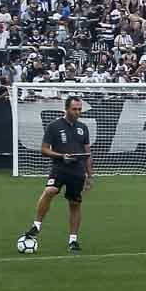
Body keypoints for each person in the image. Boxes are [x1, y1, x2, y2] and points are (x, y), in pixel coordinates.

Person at [26, 95, 92, 252]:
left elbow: (88, 152)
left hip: (77, 171)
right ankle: (36, 226)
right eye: (74, 109)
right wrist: (61, 156)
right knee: (50, 190)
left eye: (79, 109)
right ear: (66, 109)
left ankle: (73, 241)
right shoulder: (54, 126)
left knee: (75, 204)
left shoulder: (83, 128)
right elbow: (44, 149)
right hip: (60, 168)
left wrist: (90, 176)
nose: (77, 112)